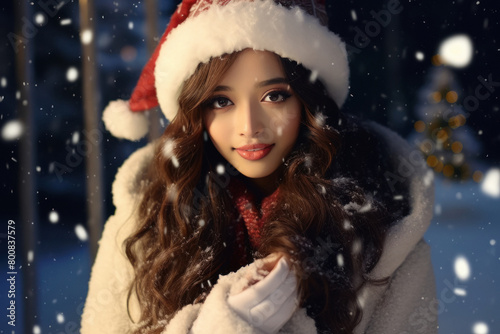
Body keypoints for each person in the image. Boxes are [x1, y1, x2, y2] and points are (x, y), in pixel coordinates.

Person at [81, 0, 437, 333]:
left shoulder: (385, 234)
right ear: (196, 113)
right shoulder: (148, 219)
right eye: (221, 101)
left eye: (274, 95)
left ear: (309, 101)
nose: (249, 126)